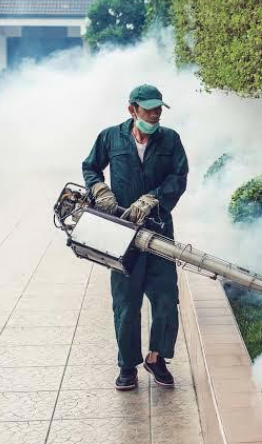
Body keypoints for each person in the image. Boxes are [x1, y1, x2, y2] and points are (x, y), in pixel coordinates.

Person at [82, 84, 188, 390]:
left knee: (166, 297)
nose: (154, 114)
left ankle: (157, 358)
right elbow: (90, 167)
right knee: (126, 302)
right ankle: (127, 365)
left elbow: (178, 176)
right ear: (132, 109)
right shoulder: (110, 137)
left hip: (158, 231)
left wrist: (153, 198)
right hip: (122, 233)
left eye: (158, 109)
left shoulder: (170, 139)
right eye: (148, 109)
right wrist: (99, 189)